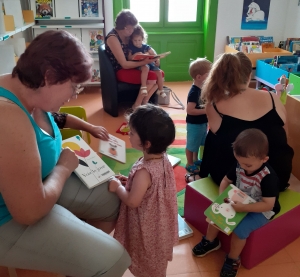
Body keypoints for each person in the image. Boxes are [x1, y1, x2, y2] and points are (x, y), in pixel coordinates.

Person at [0, 30, 130, 277]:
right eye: (73, 87)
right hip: (10, 215)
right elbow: (29, 212)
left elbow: (56, 122)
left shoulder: (29, 89)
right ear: (49, 76)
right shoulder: (8, 116)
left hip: (40, 182)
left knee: (112, 200)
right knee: (113, 260)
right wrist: (63, 167)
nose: (74, 96)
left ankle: (72, 263)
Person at [186, 52, 294, 192]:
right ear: (250, 75)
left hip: (233, 180)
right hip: (276, 179)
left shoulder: (214, 104)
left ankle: (200, 176)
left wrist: (202, 173)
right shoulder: (274, 98)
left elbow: (212, 147)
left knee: (213, 138)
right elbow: (285, 139)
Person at [192, 128, 280, 277]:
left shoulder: (268, 177)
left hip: (262, 209)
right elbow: (226, 180)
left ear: (264, 159)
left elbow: (268, 205)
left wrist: (244, 208)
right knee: (216, 214)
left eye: (248, 165)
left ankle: (233, 259)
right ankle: (210, 241)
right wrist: (221, 199)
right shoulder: (240, 164)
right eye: (240, 162)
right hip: (240, 200)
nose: (243, 167)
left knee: (240, 230)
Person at [108, 104, 178, 277]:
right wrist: (129, 183)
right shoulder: (164, 159)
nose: (128, 135)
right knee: (156, 261)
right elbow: (151, 188)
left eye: (131, 133)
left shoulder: (144, 171)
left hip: (146, 225)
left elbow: (132, 201)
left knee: (146, 263)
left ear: (146, 143)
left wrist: (118, 188)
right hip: (159, 226)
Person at [105, 9, 161, 109]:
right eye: (130, 28)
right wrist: (145, 61)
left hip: (135, 66)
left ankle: (144, 102)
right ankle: (137, 105)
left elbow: (143, 45)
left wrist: (150, 55)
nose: (132, 31)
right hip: (121, 70)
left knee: (159, 73)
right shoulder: (113, 37)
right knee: (152, 76)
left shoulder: (128, 35)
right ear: (123, 27)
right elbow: (124, 64)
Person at [185, 58, 211, 174]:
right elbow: (190, 110)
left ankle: (196, 159)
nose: (211, 76)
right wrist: (206, 111)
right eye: (208, 74)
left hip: (202, 123)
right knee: (192, 144)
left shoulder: (202, 89)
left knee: (200, 142)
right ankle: (189, 163)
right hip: (194, 125)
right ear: (199, 77)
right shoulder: (194, 92)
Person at [128, 24, 166, 98]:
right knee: (145, 68)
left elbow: (154, 53)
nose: (137, 42)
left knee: (159, 72)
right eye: (135, 40)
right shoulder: (131, 48)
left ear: (142, 39)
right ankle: (143, 87)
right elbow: (129, 58)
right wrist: (134, 55)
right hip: (139, 64)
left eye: (139, 40)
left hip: (150, 63)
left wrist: (157, 59)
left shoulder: (146, 47)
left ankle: (161, 90)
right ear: (131, 40)